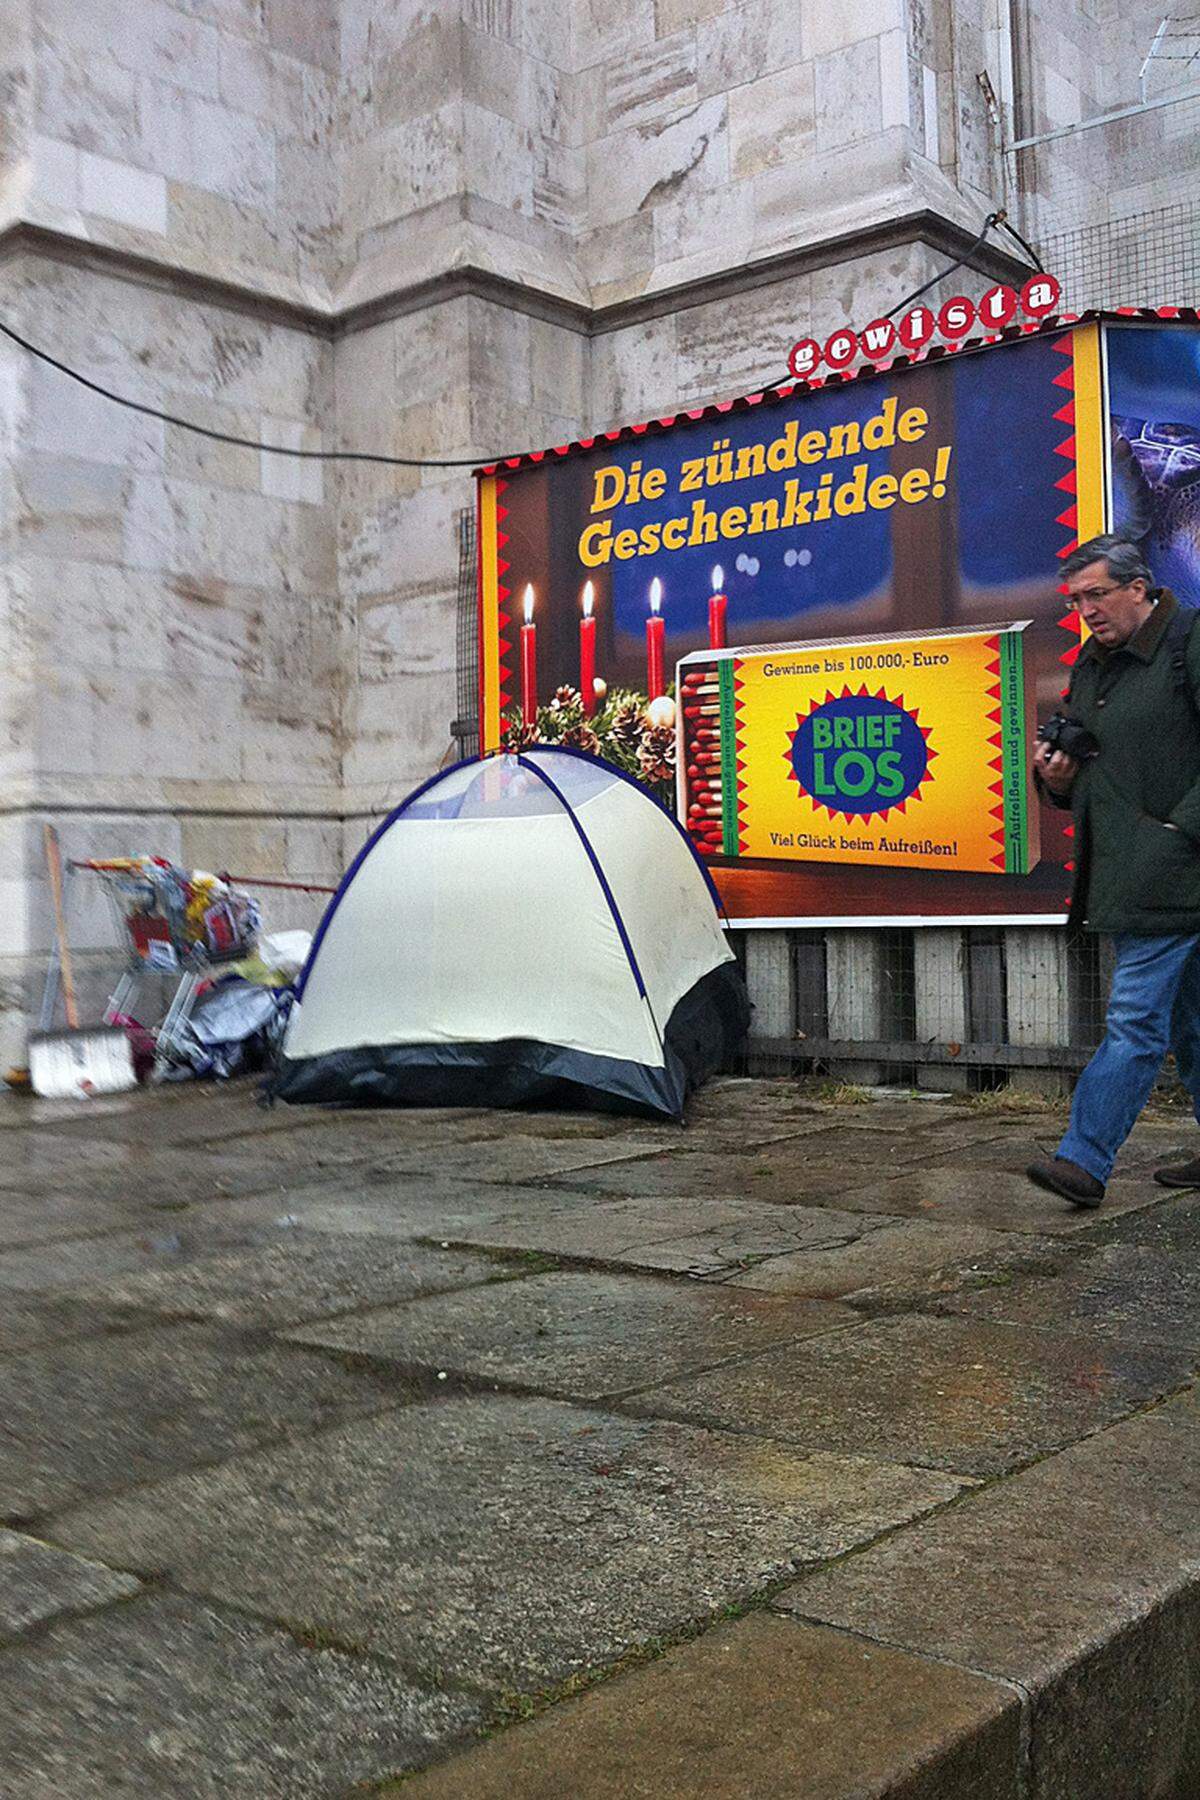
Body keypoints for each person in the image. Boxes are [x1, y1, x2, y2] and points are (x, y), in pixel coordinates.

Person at [1027, 534, 1200, 1207]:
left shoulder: (1187, 643)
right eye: (1075, 600)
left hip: (1170, 873)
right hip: (1139, 874)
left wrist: (1177, 834)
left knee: (1134, 1023)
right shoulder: (1096, 665)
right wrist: (1060, 780)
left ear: (1139, 588)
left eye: (1096, 594)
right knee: (1192, 1026)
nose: (1086, 610)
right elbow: (1098, 769)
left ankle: (1085, 1158)